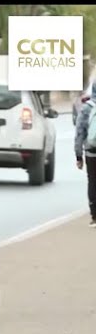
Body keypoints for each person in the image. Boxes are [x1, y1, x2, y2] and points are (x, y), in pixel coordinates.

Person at [74, 81, 96, 227]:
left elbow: (80, 133)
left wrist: (78, 156)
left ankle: (94, 216)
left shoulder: (87, 108)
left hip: (91, 152)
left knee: (93, 182)